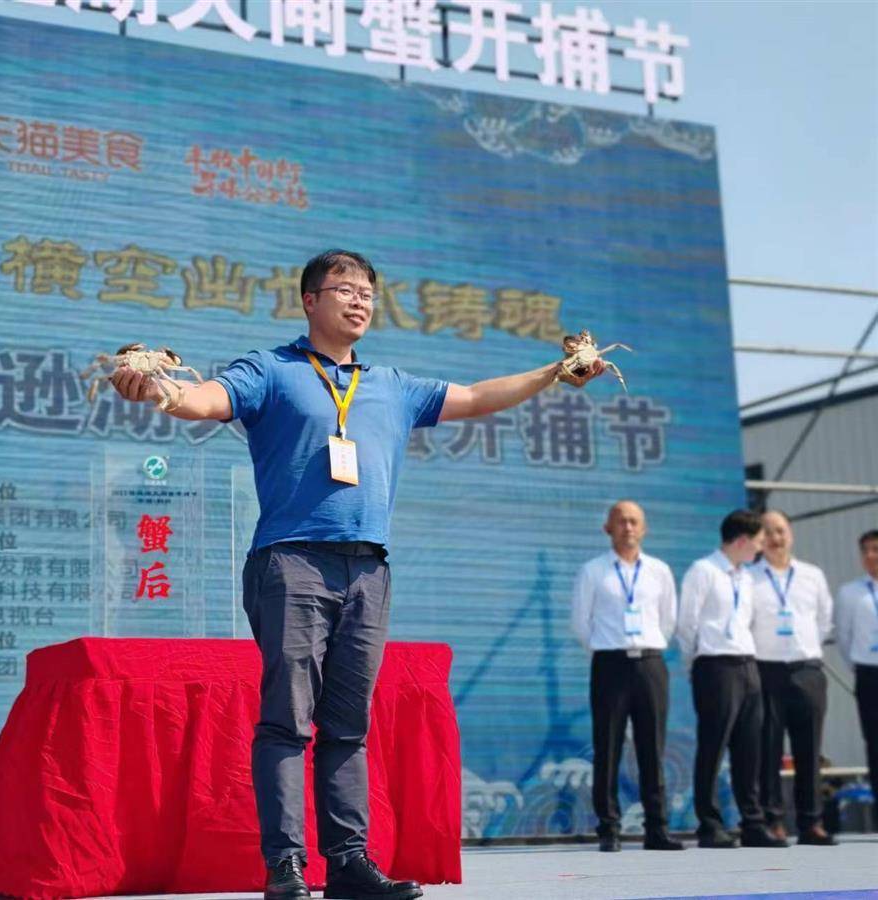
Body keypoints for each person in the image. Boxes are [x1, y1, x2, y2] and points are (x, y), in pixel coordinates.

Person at [109, 249, 603, 900]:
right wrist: (159, 389)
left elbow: (478, 396)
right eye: (345, 289)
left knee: (348, 726)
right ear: (310, 301)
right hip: (292, 562)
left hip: (369, 569)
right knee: (287, 720)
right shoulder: (271, 370)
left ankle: (347, 863)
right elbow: (204, 398)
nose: (360, 299)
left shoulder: (392, 386)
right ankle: (285, 865)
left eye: (368, 291)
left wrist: (555, 371)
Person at [570, 500, 684, 852]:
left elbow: (668, 620)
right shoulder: (593, 571)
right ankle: (609, 828)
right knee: (608, 746)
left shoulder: (659, 571)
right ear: (607, 528)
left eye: (634, 521)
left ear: (644, 528)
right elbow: (580, 623)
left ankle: (657, 828)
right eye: (621, 521)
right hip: (610, 664)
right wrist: (606, 649)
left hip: (650, 663)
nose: (628, 527)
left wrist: (647, 644)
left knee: (653, 747)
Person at [676, 509, 787, 849]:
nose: (760, 548)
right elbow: (686, 624)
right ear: (741, 541)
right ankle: (709, 824)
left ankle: (752, 823)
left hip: (747, 664)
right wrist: (696, 664)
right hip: (715, 664)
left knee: (750, 748)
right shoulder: (703, 571)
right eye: (757, 541)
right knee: (713, 745)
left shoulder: (746, 578)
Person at [749, 510, 836, 845]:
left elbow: (824, 621)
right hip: (766, 670)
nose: (776, 538)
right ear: (760, 539)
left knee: (809, 749)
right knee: (767, 749)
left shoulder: (812, 575)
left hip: (807, 670)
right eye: (768, 532)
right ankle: (773, 820)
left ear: (791, 534)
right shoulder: (750, 577)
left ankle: (811, 822)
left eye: (781, 530)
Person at [834, 529, 878, 824]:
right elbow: (844, 637)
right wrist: (859, 665)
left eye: (876, 549)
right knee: (874, 742)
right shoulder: (850, 593)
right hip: (869, 672)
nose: (870, 556)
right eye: (865, 551)